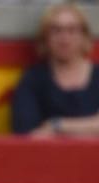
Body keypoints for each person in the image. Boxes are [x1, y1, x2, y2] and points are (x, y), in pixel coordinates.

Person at [11, 2, 99, 136]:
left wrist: (56, 125)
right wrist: (88, 127)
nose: (64, 39)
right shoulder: (33, 80)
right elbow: (28, 136)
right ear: (45, 38)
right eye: (56, 30)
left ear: (84, 36)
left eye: (72, 30)